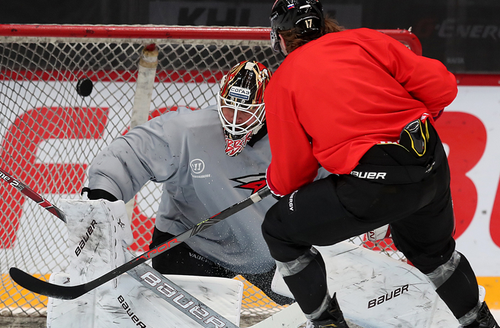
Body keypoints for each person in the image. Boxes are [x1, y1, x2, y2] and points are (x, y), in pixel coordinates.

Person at [262, 0, 500, 327]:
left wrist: (277, 186)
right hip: (430, 160)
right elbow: (443, 87)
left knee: (278, 229)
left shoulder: (282, 82)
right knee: (435, 255)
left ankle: (327, 324)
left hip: (376, 182)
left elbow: (293, 176)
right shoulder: (364, 39)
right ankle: (480, 324)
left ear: (282, 38)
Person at [83, 60, 293, 305]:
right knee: (171, 318)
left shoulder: (293, 138)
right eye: (228, 108)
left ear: (267, 107)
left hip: (267, 253)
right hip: (192, 245)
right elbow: (128, 154)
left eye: (246, 111)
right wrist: (101, 201)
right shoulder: (189, 130)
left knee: (324, 307)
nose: (235, 119)